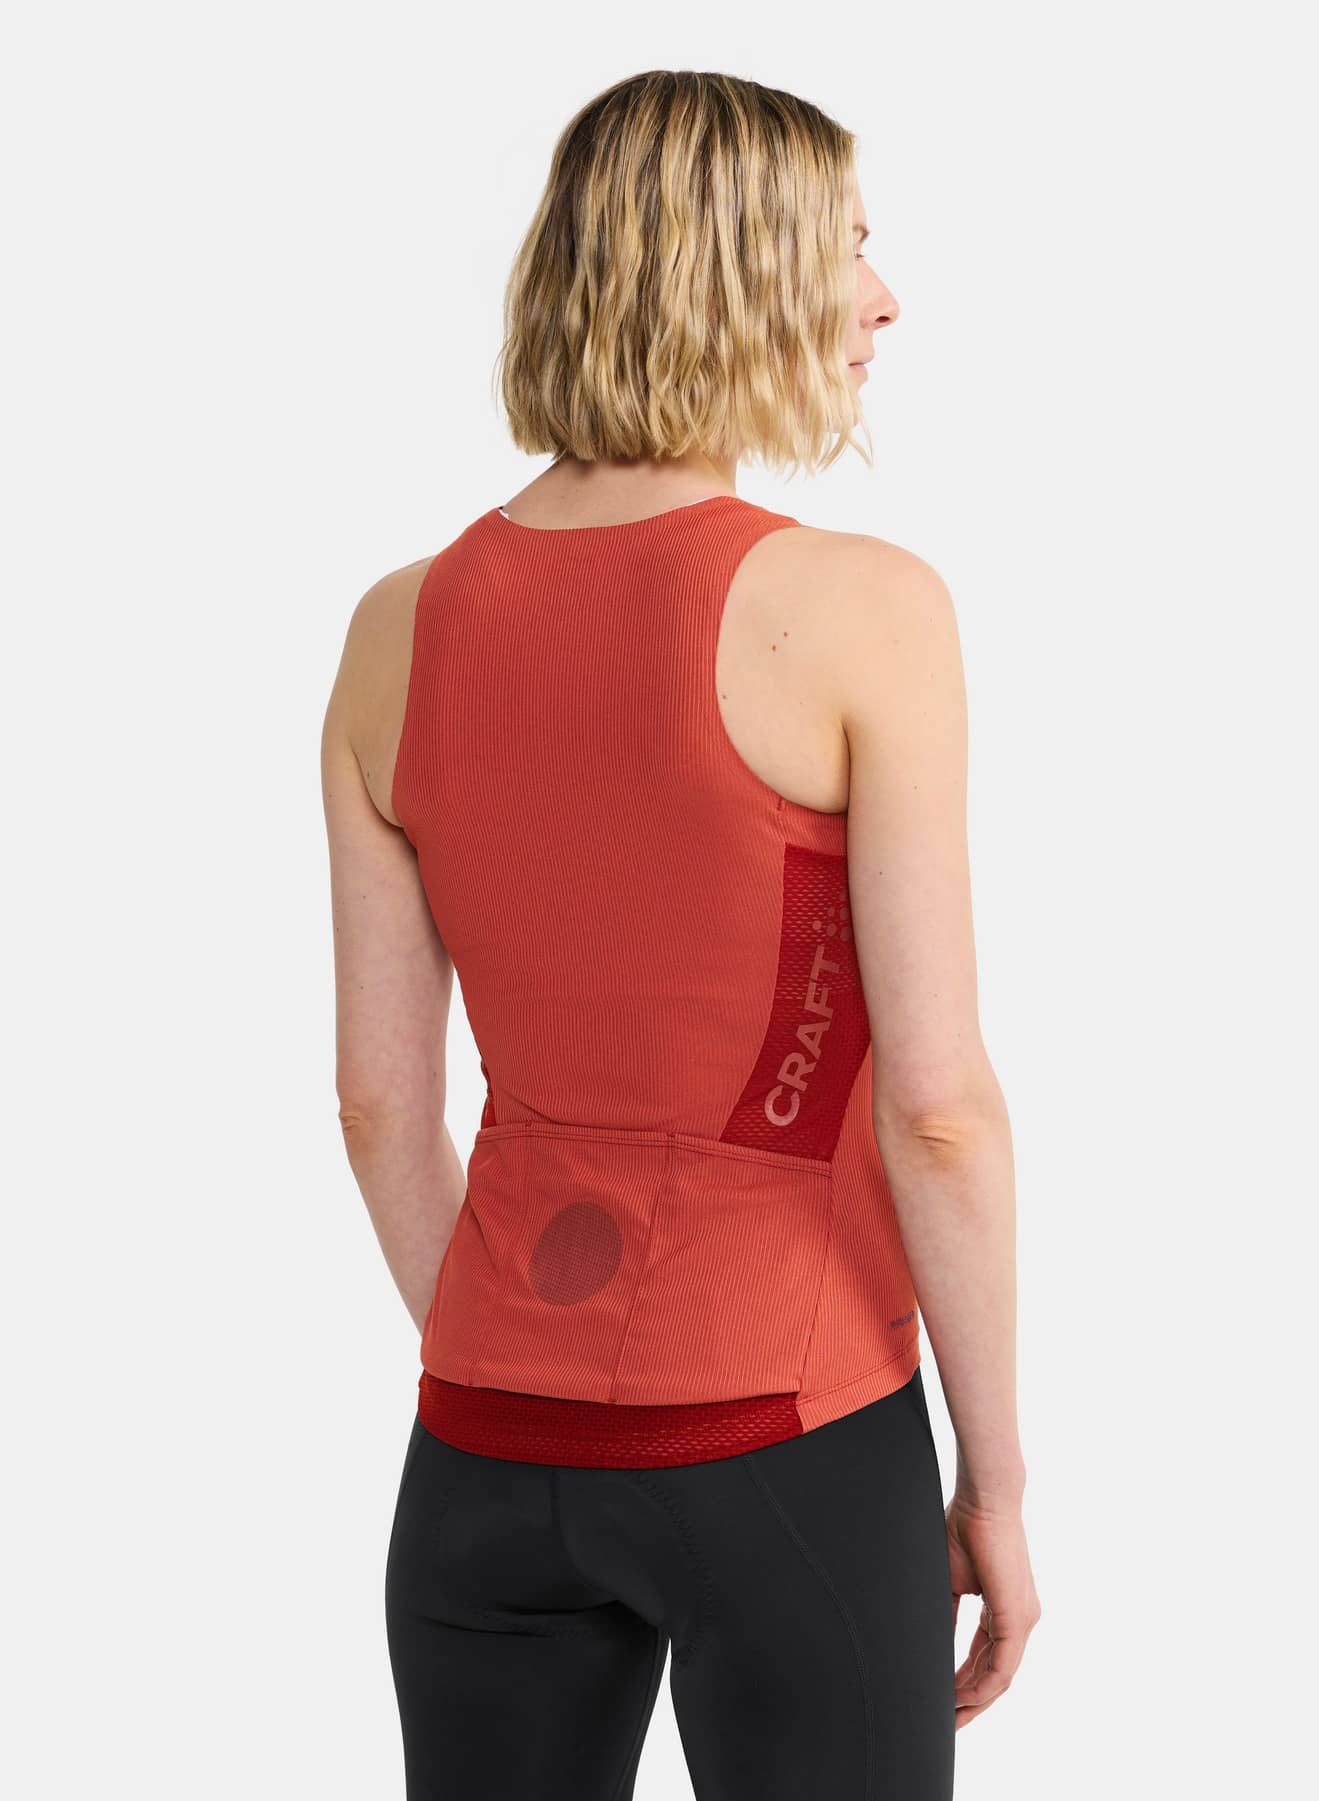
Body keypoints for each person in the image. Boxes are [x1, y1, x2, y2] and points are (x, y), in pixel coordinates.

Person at [322, 67, 1038, 1801]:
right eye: (846, 246)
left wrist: (516, 1365)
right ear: (736, 271)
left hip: (479, 1453)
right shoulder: (859, 609)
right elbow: (935, 1106)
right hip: (787, 1431)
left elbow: (376, 1101)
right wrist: (995, 1480)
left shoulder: (394, 627)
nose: (881, 296)